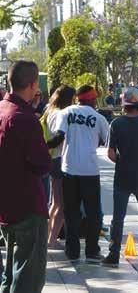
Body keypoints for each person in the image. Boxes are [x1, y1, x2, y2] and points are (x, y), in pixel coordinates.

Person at [0, 61, 51, 293]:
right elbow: (42, 164)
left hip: (6, 204)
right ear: (32, 85)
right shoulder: (24, 118)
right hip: (27, 205)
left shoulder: (3, 109)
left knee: (9, 274)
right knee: (28, 277)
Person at [102, 87, 138, 268]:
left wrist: (121, 161)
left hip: (122, 175)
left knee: (118, 217)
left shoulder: (117, 124)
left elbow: (110, 153)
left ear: (124, 106)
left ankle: (113, 255)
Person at [50, 85, 109, 263]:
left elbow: (59, 137)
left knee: (71, 212)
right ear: (92, 99)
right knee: (94, 214)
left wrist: (42, 145)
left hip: (69, 169)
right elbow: (104, 140)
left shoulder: (65, 113)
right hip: (90, 170)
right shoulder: (98, 118)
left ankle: (72, 251)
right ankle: (92, 251)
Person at [42, 85, 76, 249]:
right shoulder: (60, 114)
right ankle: (52, 240)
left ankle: (48, 236)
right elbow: (59, 137)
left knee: (55, 203)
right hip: (60, 159)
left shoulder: (49, 110)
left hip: (53, 159)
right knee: (62, 204)